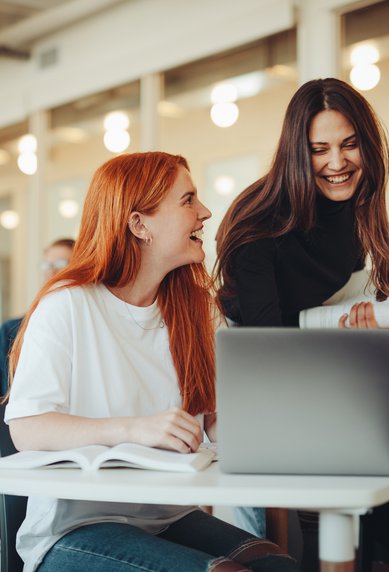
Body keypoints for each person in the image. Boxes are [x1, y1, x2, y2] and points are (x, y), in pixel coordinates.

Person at [3, 152, 301, 572]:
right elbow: (27, 427)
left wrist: (275, 430)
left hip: (168, 516)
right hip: (75, 530)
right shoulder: (66, 305)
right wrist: (133, 429)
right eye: (188, 200)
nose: (205, 212)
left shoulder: (197, 309)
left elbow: (213, 420)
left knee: (280, 566)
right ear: (139, 224)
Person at [213, 78, 389, 569]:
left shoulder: (363, 210)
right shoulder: (259, 222)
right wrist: (340, 340)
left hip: (318, 364)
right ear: (297, 151)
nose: (338, 162)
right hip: (252, 375)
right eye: (320, 149)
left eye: (350, 144)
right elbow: (269, 347)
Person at [0, 238, 75, 396]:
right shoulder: (10, 330)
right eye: (46, 265)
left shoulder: (85, 326)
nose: (50, 271)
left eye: (61, 264)